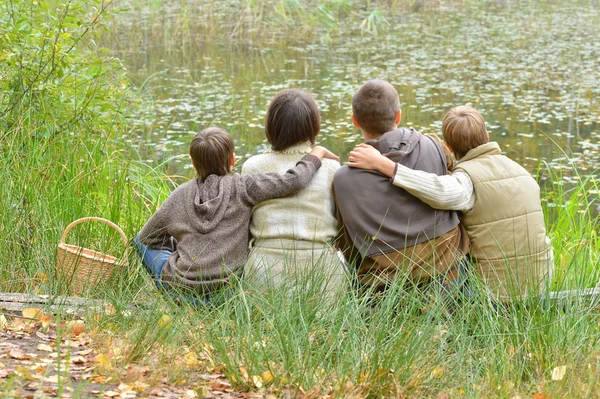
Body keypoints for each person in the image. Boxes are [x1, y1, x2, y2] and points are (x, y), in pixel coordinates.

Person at [348, 105, 554, 301]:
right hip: (541, 281)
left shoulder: (468, 180)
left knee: (446, 255)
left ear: (448, 146)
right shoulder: (520, 171)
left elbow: (439, 191)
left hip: (495, 292)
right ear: (487, 136)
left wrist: (384, 165)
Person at [133, 127, 338, 303]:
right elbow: (295, 181)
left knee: (138, 241)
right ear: (233, 159)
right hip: (227, 293)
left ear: (193, 163)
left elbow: (147, 238)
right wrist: (315, 154)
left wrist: (178, 249)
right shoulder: (243, 187)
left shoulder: (180, 195)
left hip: (179, 290)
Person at [334, 79, 470, 295]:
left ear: (354, 121)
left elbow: (347, 244)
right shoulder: (434, 145)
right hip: (450, 273)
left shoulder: (342, 179)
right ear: (398, 115)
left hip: (384, 287)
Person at [242, 89, 347, 295]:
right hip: (324, 276)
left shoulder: (252, 167)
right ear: (313, 125)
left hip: (264, 275)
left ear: (271, 125)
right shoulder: (331, 168)